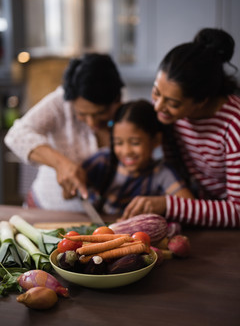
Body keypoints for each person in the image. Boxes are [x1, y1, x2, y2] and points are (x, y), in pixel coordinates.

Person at [120, 28, 240, 228]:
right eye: (156, 92)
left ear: (201, 101)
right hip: (199, 220)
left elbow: (237, 212)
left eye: (173, 103)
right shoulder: (169, 116)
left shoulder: (234, 127)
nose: (158, 106)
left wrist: (168, 205)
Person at [4, 53, 125, 211]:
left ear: (116, 100)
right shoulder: (60, 102)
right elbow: (16, 135)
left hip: (99, 218)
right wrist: (61, 164)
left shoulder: (126, 114)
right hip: (45, 208)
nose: (91, 122)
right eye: (82, 114)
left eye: (99, 113)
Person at [81, 99, 193, 217]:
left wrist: (164, 204)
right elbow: (73, 183)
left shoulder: (161, 173)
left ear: (156, 140)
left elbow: (190, 206)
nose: (126, 151)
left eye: (135, 143)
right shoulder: (102, 160)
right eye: (118, 143)